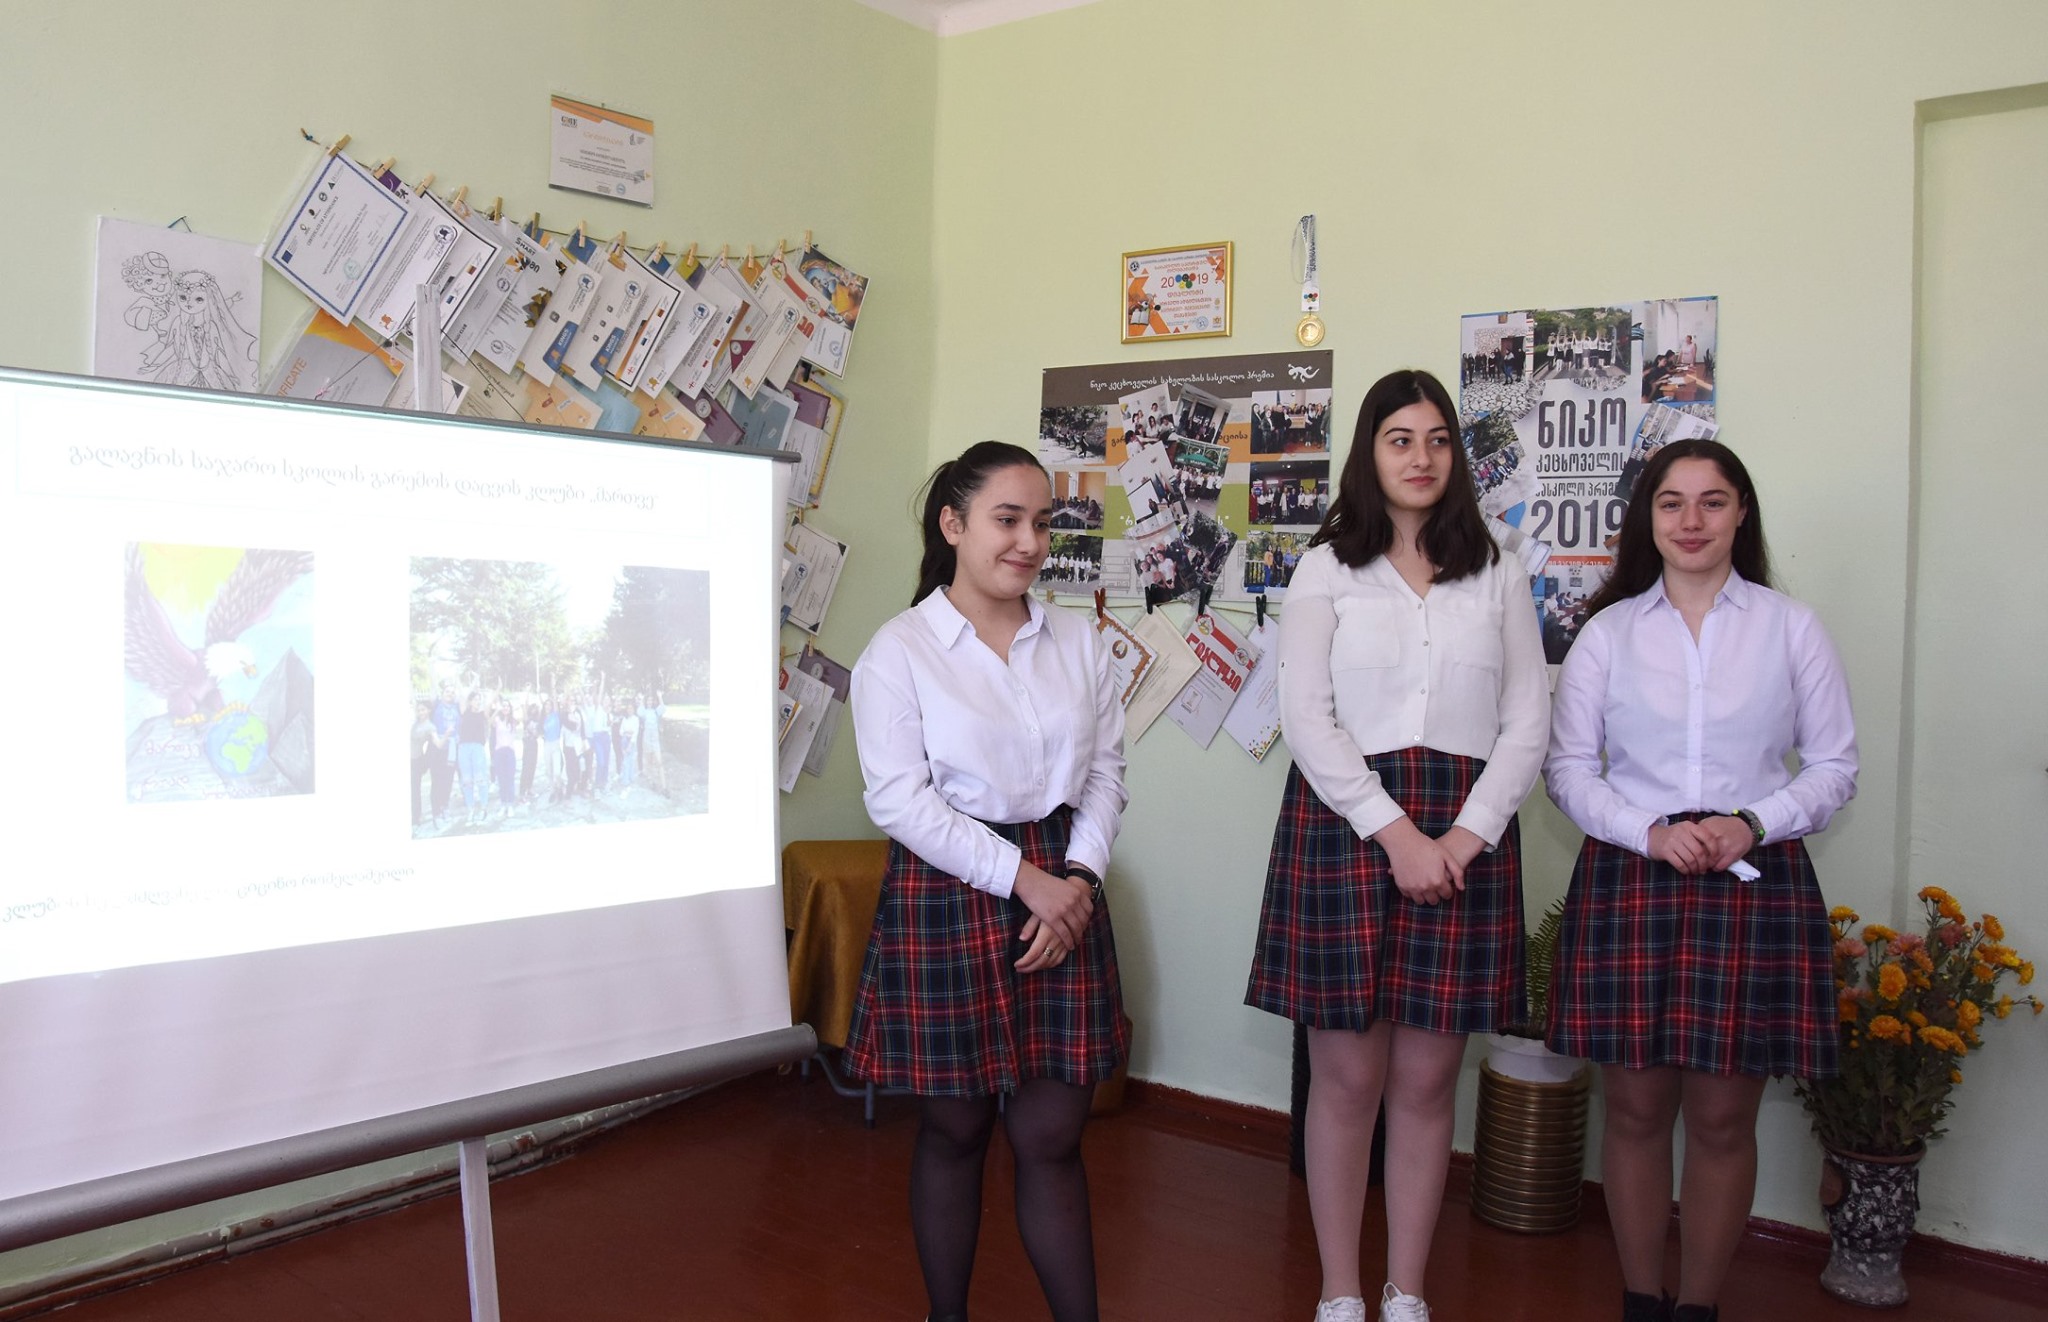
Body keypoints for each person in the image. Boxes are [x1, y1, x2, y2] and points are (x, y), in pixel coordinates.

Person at [1246, 369, 1549, 1322]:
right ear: (1369, 453)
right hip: (1348, 829)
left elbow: (1528, 720)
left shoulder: (1497, 568)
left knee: (1426, 1081)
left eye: (1437, 440)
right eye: (1399, 439)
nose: (1421, 458)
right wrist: (1397, 834)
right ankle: (1340, 1292)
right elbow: (1308, 717)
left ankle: (1406, 1292)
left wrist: (1463, 837)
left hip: (1465, 835)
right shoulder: (1326, 569)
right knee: (1346, 1080)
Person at [1543, 439, 1857, 1322]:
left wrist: (1751, 821)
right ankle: (1643, 1300)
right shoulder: (1608, 633)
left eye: (1712, 501)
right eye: (1671, 502)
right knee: (1637, 1114)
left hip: (1752, 882)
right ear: (1647, 518)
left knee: (1723, 1120)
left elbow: (1835, 765)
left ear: (1741, 512)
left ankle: (1700, 1308)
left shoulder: (1791, 627)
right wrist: (1647, 833)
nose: (1691, 521)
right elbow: (1568, 771)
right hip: (1632, 878)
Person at [844, 440, 1130, 1322]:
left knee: (1052, 1136)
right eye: (1008, 520)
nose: (1029, 542)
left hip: (1066, 888)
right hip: (951, 887)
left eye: (1042, 523)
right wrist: (1027, 881)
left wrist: (1077, 880)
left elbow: (1106, 773)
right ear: (953, 524)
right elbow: (900, 801)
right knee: (955, 1129)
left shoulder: (1078, 640)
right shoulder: (899, 651)